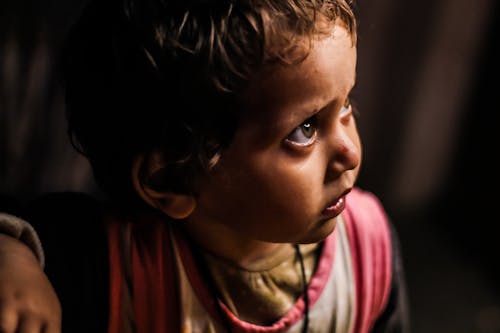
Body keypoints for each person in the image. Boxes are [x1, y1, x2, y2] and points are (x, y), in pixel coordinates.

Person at [0, 0, 410, 332]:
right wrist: (13, 257)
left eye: (346, 106)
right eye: (303, 130)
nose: (351, 152)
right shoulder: (109, 267)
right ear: (170, 179)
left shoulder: (368, 251)